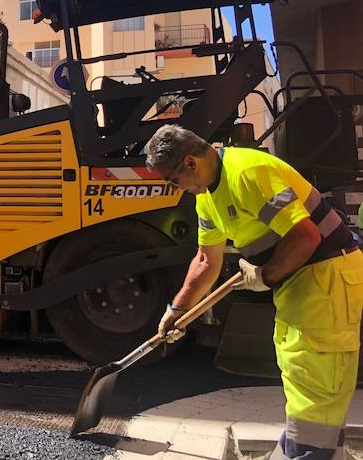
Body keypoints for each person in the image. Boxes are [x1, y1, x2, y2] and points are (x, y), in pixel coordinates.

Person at [147, 124, 362, 460]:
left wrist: (264, 275)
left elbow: (306, 237)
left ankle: (308, 452)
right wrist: (178, 309)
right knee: (298, 366)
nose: (178, 190)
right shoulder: (207, 198)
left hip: (326, 275)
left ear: (190, 163)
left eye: (174, 181)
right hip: (300, 284)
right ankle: (309, 449)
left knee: (317, 375)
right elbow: (206, 260)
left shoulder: (249, 173)